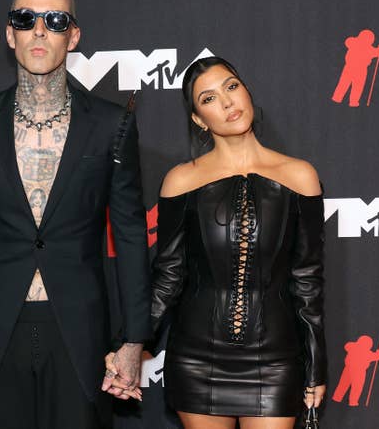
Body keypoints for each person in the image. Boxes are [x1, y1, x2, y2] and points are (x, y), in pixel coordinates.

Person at [0, 0, 151, 429]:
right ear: (9, 34)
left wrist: (133, 341)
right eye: (24, 19)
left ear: (73, 36)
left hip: (79, 330)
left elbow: (130, 237)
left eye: (54, 21)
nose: (38, 31)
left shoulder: (113, 124)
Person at [109, 56, 327, 429]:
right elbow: (168, 276)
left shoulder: (300, 176)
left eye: (231, 87)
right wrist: (129, 344)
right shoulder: (181, 181)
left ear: (245, 91)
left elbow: (306, 280)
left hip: (276, 359)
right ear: (198, 119)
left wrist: (315, 365)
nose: (226, 103)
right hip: (197, 359)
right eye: (208, 99)